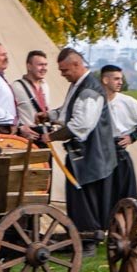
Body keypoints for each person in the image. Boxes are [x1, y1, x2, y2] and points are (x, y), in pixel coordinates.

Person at [39, 48, 118, 256]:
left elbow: (81, 125)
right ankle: (79, 238)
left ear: (76, 65)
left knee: (86, 199)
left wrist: (52, 137)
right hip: (81, 155)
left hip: (92, 155)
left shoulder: (90, 89)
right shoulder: (77, 85)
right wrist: (49, 115)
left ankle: (89, 240)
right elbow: (68, 112)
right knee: (77, 197)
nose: (62, 74)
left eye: (64, 70)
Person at [101, 64, 137, 201]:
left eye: (121, 79)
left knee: (125, 196)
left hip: (118, 152)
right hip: (100, 154)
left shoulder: (127, 101)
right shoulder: (95, 101)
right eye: (116, 79)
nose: (120, 82)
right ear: (105, 80)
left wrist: (132, 137)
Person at [12, 50, 51, 131]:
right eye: (40, 65)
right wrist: (20, 127)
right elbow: (10, 114)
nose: (44, 68)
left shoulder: (45, 85)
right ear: (29, 66)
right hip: (25, 136)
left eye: (45, 65)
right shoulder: (16, 86)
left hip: (44, 136)